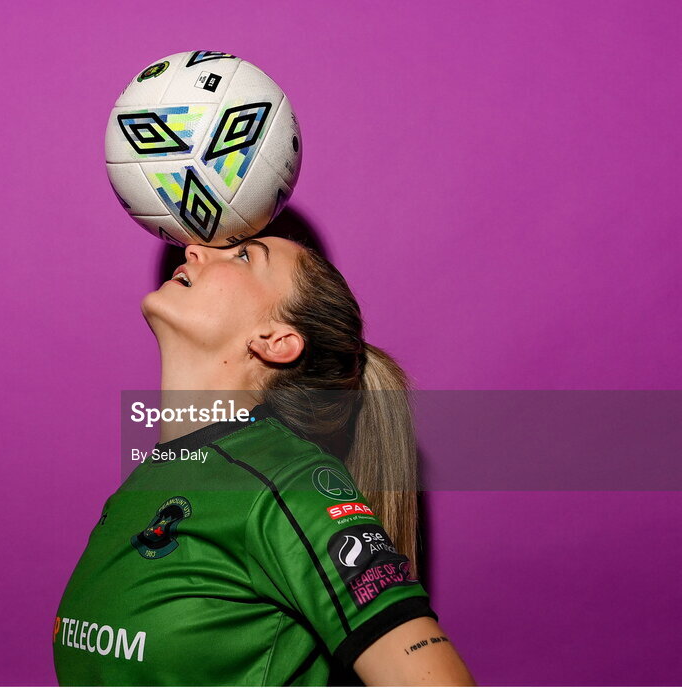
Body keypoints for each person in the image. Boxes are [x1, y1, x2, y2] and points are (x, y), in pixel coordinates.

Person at [53, 237, 475, 686]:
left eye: (243, 255)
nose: (193, 249)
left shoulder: (290, 482)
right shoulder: (145, 482)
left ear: (275, 341)